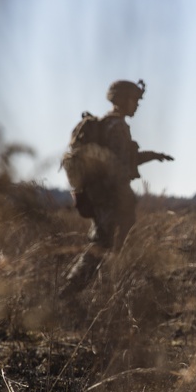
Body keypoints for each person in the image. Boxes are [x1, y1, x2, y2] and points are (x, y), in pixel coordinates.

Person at [60, 79, 173, 295]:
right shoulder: (117, 127)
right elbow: (118, 166)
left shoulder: (107, 124)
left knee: (105, 246)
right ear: (122, 100)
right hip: (109, 199)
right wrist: (124, 197)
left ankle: (82, 291)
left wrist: (152, 156)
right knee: (102, 247)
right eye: (134, 100)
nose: (137, 105)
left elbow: (118, 160)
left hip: (101, 196)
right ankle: (69, 292)